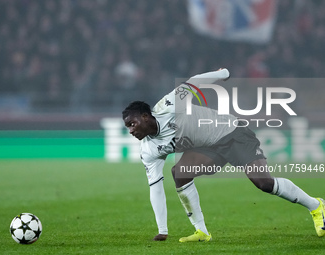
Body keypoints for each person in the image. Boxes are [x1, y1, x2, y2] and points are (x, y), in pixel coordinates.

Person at [122, 68, 325, 242]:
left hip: (232, 133)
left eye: (132, 124)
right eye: (127, 127)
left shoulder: (169, 105)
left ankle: (316, 206)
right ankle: (201, 231)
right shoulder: (148, 150)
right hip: (208, 148)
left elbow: (194, 82)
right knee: (181, 172)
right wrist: (162, 230)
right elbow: (155, 188)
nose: (130, 130)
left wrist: (222, 74)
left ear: (145, 116)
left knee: (264, 184)